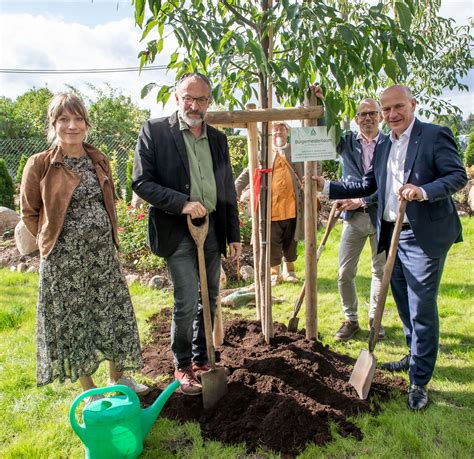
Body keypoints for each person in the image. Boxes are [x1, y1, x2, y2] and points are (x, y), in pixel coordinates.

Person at [313, 85, 467, 410]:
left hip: (422, 236)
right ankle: (413, 357)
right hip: (391, 234)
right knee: (401, 302)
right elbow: (368, 183)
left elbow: (456, 176)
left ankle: (419, 382)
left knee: (421, 307)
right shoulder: (385, 146)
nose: (392, 114)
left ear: (413, 103)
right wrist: (328, 186)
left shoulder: (435, 135)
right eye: (386, 110)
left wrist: (422, 191)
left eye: (398, 107)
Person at [20, 93, 147, 404]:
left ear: (87, 124)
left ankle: (119, 379)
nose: (71, 125)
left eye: (78, 119)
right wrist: (54, 243)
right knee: (74, 322)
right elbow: (29, 212)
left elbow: (109, 203)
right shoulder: (40, 165)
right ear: (53, 124)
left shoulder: (98, 158)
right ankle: (89, 392)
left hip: (102, 257)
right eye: (64, 119)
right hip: (64, 263)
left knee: (114, 314)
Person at [132, 73, 241, 395]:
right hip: (175, 228)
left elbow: (227, 191)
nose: (194, 105)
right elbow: (141, 182)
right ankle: (182, 365)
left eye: (202, 99)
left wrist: (233, 233)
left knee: (210, 296)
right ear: (176, 98)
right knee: (186, 298)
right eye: (188, 98)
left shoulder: (218, 139)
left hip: (211, 229)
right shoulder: (155, 131)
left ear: (210, 101)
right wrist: (182, 204)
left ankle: (203, 358)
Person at [332, 98, 387, 341]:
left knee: (381, 271)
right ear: (356, 119)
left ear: (380, 117)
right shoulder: (346, 142)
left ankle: (376, 320)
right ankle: (351, 319)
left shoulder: (389, 143)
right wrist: (323, 102)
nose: (367, 118)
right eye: (362, 114)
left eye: (372, 113)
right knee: (344, 272)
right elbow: (326, 127)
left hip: (380, 216)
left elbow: (389, 184)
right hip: (353, 219)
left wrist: (363, 200)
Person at [234, 121, 304, 285]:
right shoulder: (263, 153)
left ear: (287, 132)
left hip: (293, 207)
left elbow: (313, 166)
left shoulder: (296, 151)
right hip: (271, 208)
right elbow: (247, 172)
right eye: (275, 129)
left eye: (281, 129)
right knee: (272, 241)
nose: (278, 132)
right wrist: (235, 190)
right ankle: (275, 273)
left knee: (291, 240)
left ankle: (290, 271)